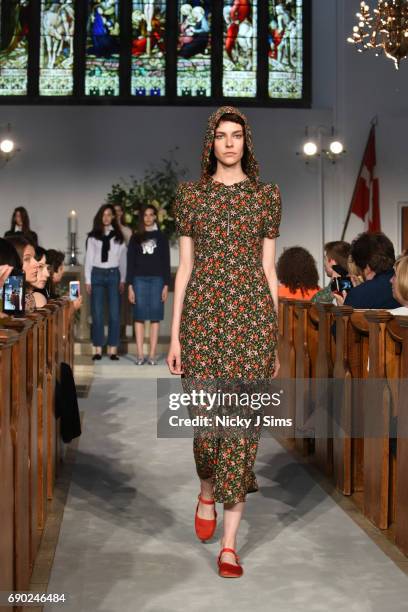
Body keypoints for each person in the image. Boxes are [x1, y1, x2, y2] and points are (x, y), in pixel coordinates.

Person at [167, 106, 281, 579]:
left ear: (246, 142)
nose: (229, 143)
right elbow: (185, 266)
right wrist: (174, 335)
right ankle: (206, 489)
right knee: (206, 428)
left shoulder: (266, 196)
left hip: (252, 320)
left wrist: (274, 339)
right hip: (202, 320)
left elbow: (269, 269)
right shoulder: (191, 195)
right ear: (210, 143)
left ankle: (229, 546)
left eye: (237, 135)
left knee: (240, 432)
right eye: (221, 135)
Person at [127, 204, 171, 365]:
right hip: (138, 279)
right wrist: (130, 286)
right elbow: (130, 262)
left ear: (155, 216)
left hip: (157, 280)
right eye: (145, 215)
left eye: (151, 214)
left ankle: (152, 355)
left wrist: (166, 285)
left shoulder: (161, 237)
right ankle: (140, 354)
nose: (148, 218)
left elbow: (166, 262)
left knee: (155, 318)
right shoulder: (135, 237)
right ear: (142, 217)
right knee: (138, 316)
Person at [84, 204, 127, 360]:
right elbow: (88, 258)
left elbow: (123, 260)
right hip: (97, 274)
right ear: (100, 217)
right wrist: (88, 280)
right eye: (104, 214)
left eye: (109, 214)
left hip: (113, 274)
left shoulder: (118, 237)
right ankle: (97, 348)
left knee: (115, 313)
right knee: (97, 313)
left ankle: (112, 348)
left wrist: (122, 278)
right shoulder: (93, 237)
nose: (107, 217)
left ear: (113, 217)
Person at [334, 232, 400, 309]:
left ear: (367, 268)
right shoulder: (403, 287)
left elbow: (345, 321)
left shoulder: (358, 294)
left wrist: (343, 309)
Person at [5, 234, 39, 313]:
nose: (37, 264)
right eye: (27, 259)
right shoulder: (9, 295)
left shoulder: (28, 296)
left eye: (35, 258)